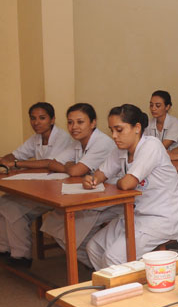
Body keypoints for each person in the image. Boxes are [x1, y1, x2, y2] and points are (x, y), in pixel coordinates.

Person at [85, 104, 178, 269]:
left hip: (162, 218)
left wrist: (118, 181)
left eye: (119, 130)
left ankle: (124, 291)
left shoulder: (151, 146)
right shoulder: (121, 149)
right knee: (93, 247)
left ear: (137, 128)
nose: (114, 136)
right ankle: (113, 289)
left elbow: (128, 183)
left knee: (113, 257)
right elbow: (100, 175)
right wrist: (90, 180)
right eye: (111, 130)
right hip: (136, 214)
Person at [36, 103, 117, 267]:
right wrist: (70, 167)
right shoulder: (78, 142)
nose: (74, 127)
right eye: (70, 122)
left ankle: (101, 268)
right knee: (57, 225)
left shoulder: (102, 142)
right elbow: (53, 163)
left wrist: (72, 167)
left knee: (69, 231)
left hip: (110, 198)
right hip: (89, 193)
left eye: (80, 122)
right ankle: (96, 266)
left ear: (93, 123)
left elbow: (75, 171)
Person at [0, 103, 72, 266]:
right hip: (40, 187)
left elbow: (49, 163)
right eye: (33, 118)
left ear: (52, 119)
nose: (36, 122)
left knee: (11, 207)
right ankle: (5, 248)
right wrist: (4, 160)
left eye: (42, 118)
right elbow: (15, 155)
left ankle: (21, 255)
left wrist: (16, 164)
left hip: (57, 190)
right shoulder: (36, 138)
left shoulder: (62, 138)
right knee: (3, 202)